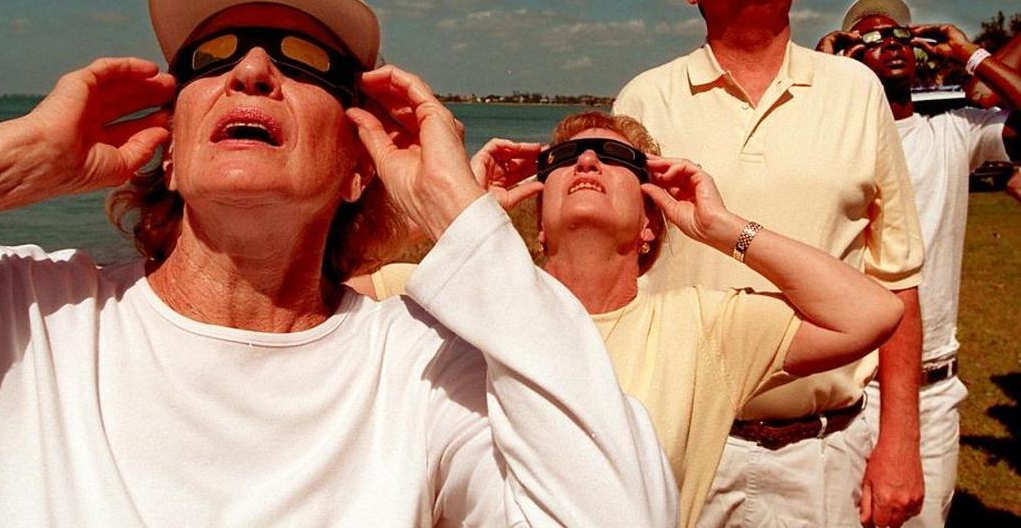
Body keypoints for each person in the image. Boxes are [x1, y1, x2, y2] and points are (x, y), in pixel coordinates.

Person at [0, 0, 678, 527]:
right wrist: (7, 164)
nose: (254, 69)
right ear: (169, 147)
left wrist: (460, 218)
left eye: (307, 62)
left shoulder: (422, 372)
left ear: (360, 166)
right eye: (211, 58)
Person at [359, 111, 904, 528]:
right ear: (539, 222)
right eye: (565, 157)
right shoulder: (452, 297)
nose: (586, 163)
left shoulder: (703, 328)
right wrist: (456, 221)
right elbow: (319, 297)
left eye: (614, 157)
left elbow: (870, 313)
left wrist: (722, 227)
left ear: (650, 223)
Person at [612, 0, 926, 527]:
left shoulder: (857, 91)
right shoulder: (643, 100)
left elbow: (896, 278)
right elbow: (613, 274)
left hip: (826, 450)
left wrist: (901, 441)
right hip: (679, 442)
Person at [816, 0, 1021, 527]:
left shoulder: (954, 132)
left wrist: (972, 55)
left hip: (930, 389)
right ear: (851, 57)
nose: (892, 43)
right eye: (872, 37)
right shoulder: (827, 144)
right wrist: (822, 71)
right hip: (847, 386)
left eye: (901, 35)